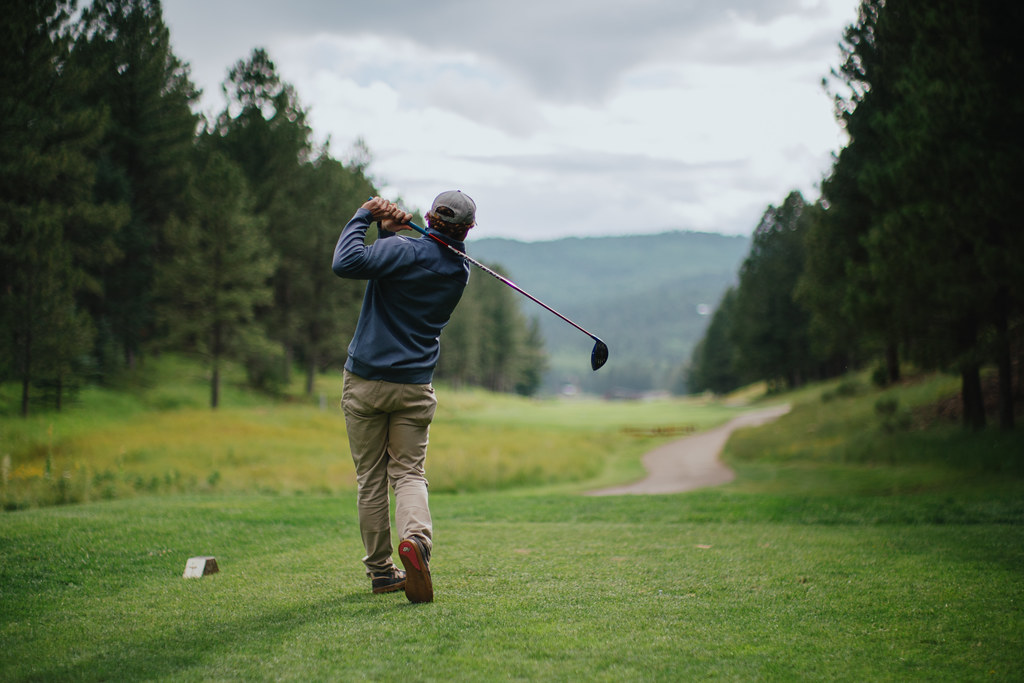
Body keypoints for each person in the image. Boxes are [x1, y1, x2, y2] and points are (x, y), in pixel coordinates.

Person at [331, 191, 476, 603]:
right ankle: (417, 540)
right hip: (414, 386)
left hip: (365, 382)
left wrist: (364, 215)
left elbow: (346, 262)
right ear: (467, 230)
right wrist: (388, 232)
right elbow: (401, 260)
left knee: (370, 478)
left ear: (429, 218)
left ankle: (381, 572)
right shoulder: (458, 271)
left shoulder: (401, 251)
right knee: (408, 473)